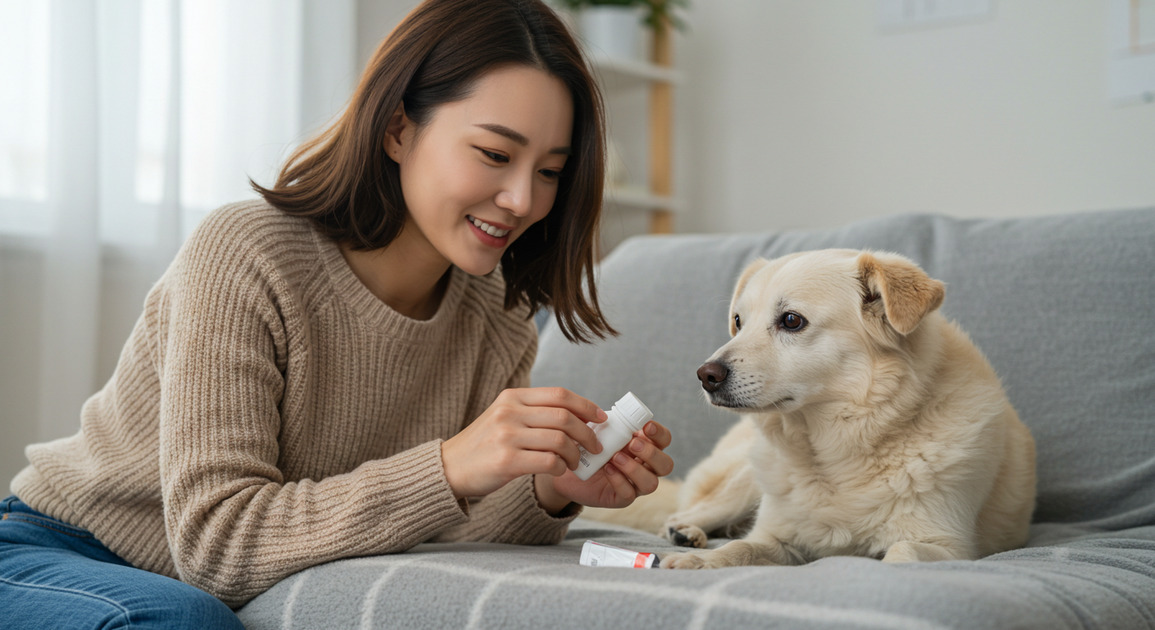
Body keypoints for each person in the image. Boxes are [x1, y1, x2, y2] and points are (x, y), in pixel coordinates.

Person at [0, 0, 675, 627]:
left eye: (550, 171)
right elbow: (218, 545)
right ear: (398, 130)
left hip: (170, 580)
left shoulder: (494, 314)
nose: (522, 198)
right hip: (58, 549)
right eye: (494, 155)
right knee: (179, 620)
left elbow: (435, 527)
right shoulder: (247, 253)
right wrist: (449, 463)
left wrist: (547, 489)